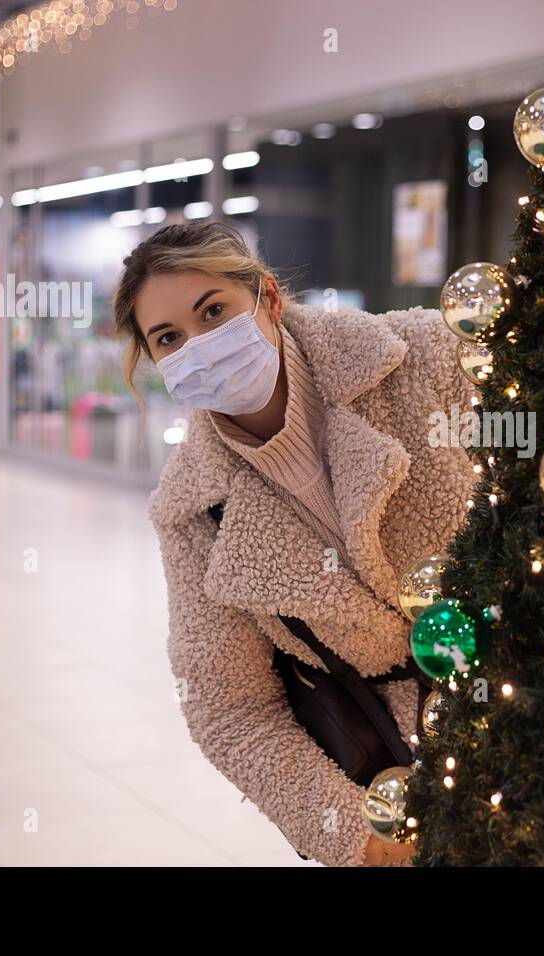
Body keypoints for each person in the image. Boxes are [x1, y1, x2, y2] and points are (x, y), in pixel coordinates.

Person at [114, 223, 476, 865]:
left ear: (270, 300)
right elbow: (230, 709)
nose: (199, 346)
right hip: (403, 778)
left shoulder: (427, 357)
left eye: (214, 312)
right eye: (169, 338)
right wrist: (356, 836)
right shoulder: (193, 511)